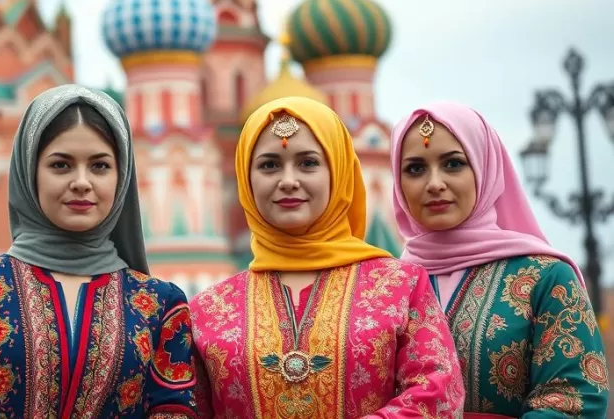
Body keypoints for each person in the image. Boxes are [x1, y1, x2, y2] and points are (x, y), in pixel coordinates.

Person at [0, 85, 199, 418]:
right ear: (28, 172)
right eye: (61, 165)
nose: (81, 181)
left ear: (122, 178)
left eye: (100, 166)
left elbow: (176, 408)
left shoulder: (158, 304)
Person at [190, 96, 464, 418]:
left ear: (337, 171)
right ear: (245, 179)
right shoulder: (207, 309)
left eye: (308, 163)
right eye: (269, 165)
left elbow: (437, 394)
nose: (288, 180)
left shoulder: (401, 287)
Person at [391, 101, 610, 418]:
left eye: (453, 164)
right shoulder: (384, 285)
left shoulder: (546, 277)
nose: (434, 183)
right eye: (415, 168)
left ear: (485, 168)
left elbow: (575, 399)